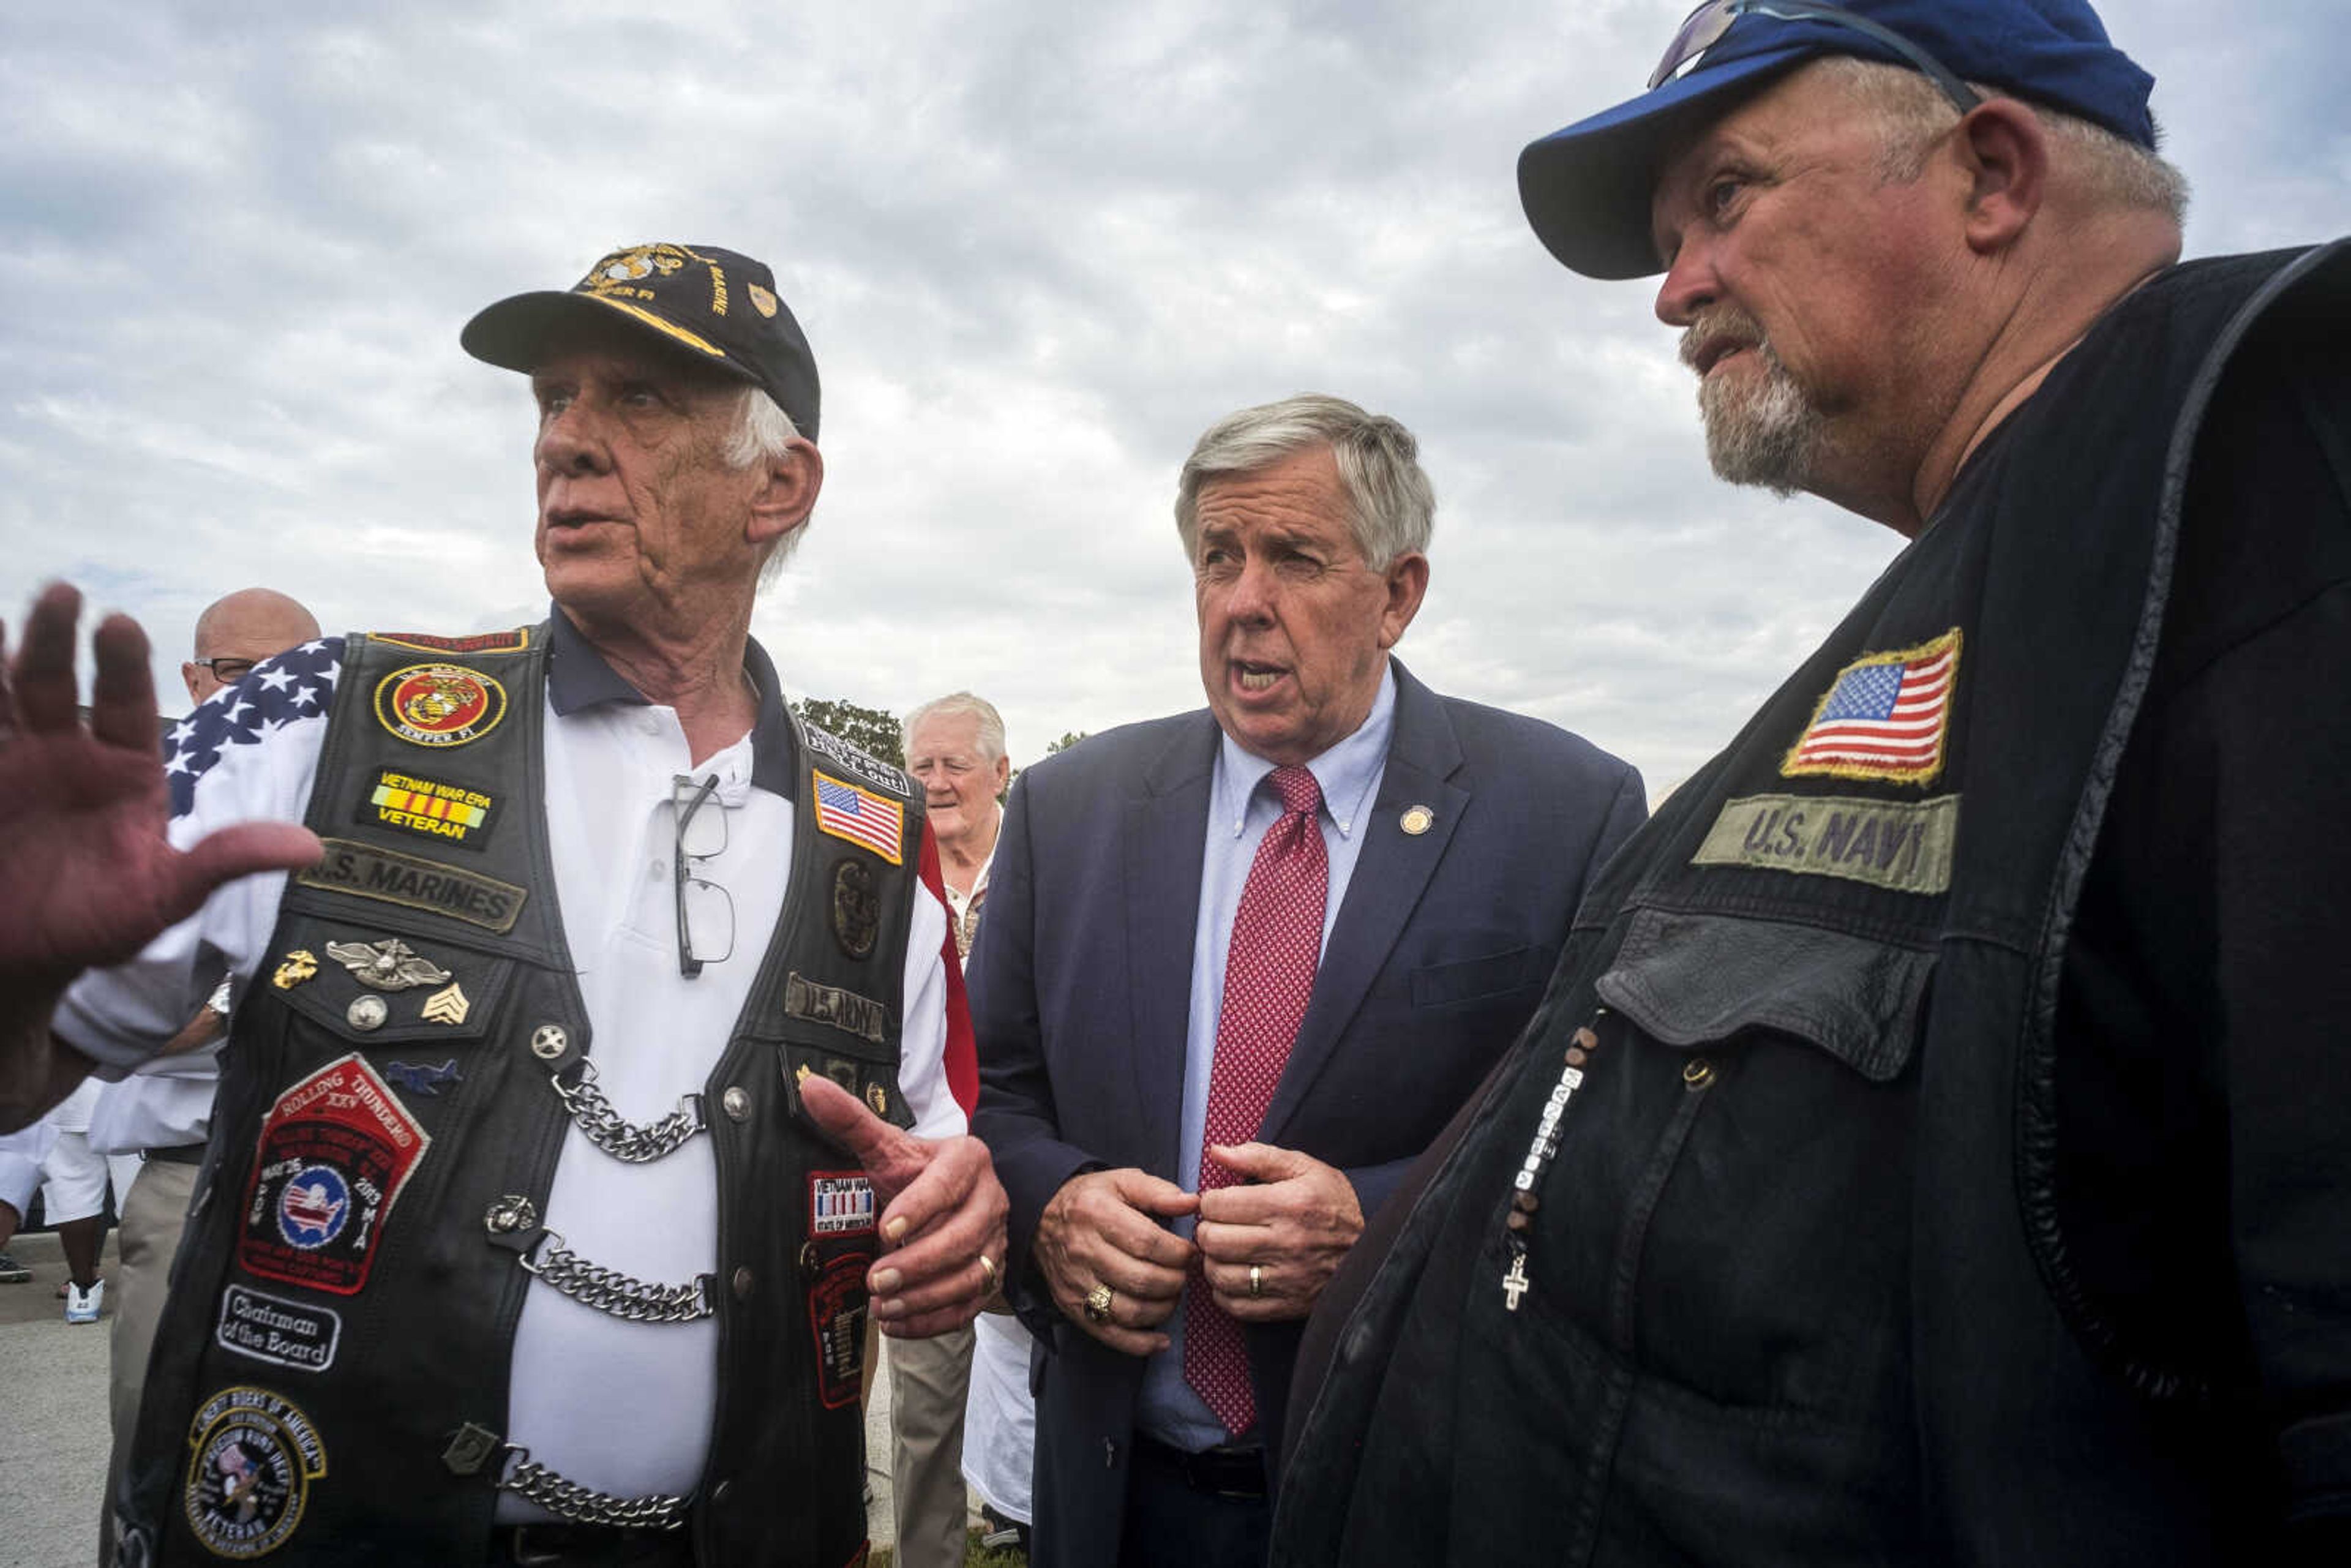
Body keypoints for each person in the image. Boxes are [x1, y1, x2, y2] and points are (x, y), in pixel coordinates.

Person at [1272, 4, 2351, 1564]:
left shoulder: (2274, 474)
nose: (1673, 292)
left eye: (1725, 198)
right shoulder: (1973, 592)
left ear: (1991, 173)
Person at [0, 240, 1009, 1568]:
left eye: (636, 401)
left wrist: (965, 1220)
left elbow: (938, 1164)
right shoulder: (324, 717)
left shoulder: (871, 836)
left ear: (781, 483)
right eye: (552, 399)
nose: (567, 442)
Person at [972, 393, 1646, 1567]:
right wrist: (1054, 1207)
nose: (1243, 600)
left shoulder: (1564, 811)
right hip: (1118, 1498)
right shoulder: (1067, 810)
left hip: (1401, 1494)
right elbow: (991, 1094)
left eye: (1294, 558)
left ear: (1398, 594)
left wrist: (1378, 1227)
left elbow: (1599, 1141)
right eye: (1218, 558)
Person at [90, 586, 323, 1564]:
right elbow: (116, 1022)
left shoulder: (343, 798)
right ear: (194, 681)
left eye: (297, 671)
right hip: (189, 1176)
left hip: (322, 1186)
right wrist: (248, 998)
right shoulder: (150, 805)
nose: (271, 690)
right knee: (156, 1433)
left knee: (314, 1460)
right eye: (239, 672)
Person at [887, 692, 1017, 1568]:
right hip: (929, 1186)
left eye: (955, 764)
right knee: (925, 1415)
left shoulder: (1050, 862)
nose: (936, 783)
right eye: (922, 765)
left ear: (1000, 772)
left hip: (1038, 1177)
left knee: (1069, 1386)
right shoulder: (895, 870)